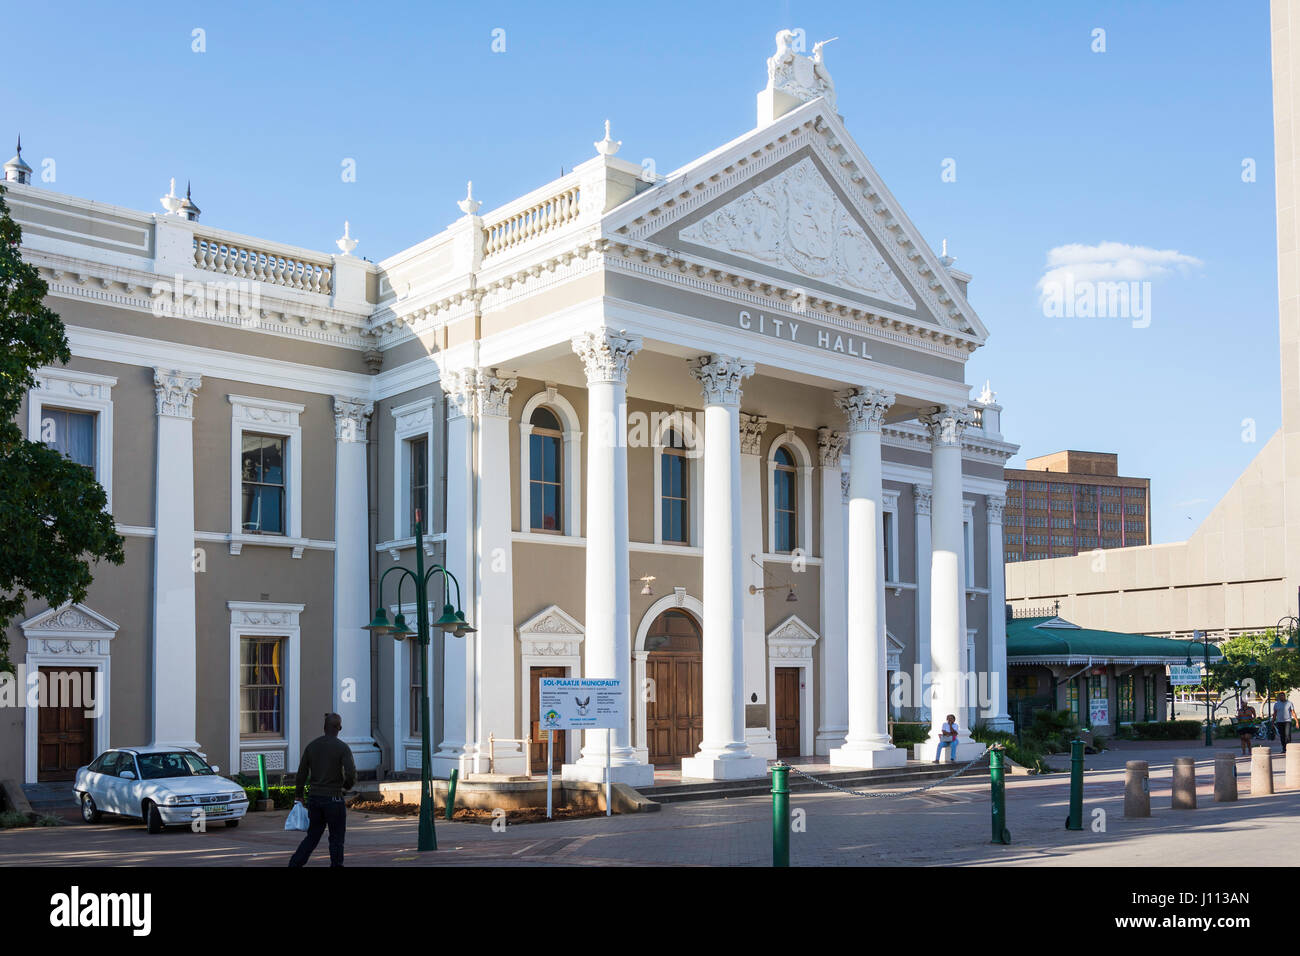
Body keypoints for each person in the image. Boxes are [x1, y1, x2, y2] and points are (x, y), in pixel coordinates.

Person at [289, 713, 356, 867]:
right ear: (339, 728)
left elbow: (301, 774)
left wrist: (299, 795)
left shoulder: (312, 746)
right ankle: (336, 865)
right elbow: (351, 773)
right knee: (336, 839)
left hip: (315, 798)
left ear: (324, 727)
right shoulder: (342, 748)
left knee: (312, 836)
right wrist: (345, 786)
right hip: (334, 799)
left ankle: (295, 863)